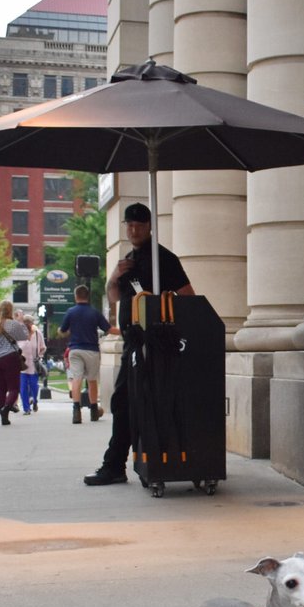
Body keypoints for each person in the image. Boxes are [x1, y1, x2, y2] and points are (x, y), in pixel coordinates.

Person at [84, 201, 194, 485]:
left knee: (128, 402)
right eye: (129, 225)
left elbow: (189, 297)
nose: (133, 230)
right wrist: (116, 275)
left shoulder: (164, 260)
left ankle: (119, 464)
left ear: (149, 226)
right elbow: (113, 297)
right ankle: (123, 463)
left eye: (139, 225)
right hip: (132, 343)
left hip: (154, 344)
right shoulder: (128, 260)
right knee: (126, 402)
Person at [59, 283, 110, 424]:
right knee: (92, 380)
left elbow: (63, 330)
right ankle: (94, 410)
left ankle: (76, 411)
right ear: (87, 296)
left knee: (77, 379)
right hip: (91, 350)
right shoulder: (94, 312)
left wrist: (64, 331)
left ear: (76, 296)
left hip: (75, 349)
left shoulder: (71, 312)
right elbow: (108, 328)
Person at [18, 312, 45, 415]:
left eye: (29, 322)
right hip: (22, 364)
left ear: (32, 323)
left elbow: (43, 347)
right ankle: (26, 408)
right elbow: (18, 347)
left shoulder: (38, 333)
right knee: (23, 387)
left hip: (34, 364)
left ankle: (34, 400)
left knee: (34, 385)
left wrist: (39, 355)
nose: (27, 324)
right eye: (25, 322)